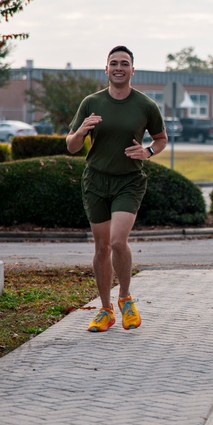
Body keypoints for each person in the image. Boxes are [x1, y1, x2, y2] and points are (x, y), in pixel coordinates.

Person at [66, 46, 167, 333]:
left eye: (125, 63)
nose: (119, 67)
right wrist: (82, 130)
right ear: (106, 69)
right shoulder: (91, 102)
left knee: (118, 242)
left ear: (132, 70)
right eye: (114, 63)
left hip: (129, 181)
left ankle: (125, 298)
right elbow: (72, 146)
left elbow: (161, 139)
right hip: (96, 181)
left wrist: (147, 152)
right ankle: (106, 309)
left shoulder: (145, 105)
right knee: (101, 248)